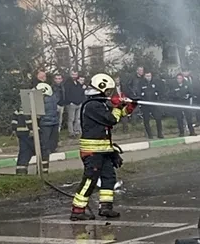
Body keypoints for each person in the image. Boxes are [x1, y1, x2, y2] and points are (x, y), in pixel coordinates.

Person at [70, 73, 135, 221]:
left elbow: (114, 116)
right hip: (93, 151)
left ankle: (106, 207)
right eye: (108, 91)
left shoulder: (100, 104)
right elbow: (111, 119)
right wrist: (118, 106)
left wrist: (128, 108)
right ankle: (78, 209)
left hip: (104, 150)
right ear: (102, 89)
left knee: (109, 177)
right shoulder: (92, 105)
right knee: (90, 179)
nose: (109, 94)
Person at [35, 82, 60, 170]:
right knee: (48, 146)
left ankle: (43, 167)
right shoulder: (53, 97)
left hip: (46, 124)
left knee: (45, 146)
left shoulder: (40, 99)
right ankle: (44, 167)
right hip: (52, 123)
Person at [138, 70, 163, 139]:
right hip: (145, 105)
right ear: (144, 76)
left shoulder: (155, 82)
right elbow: (139, 93)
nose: (148, 77)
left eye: (149, 76)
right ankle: (150, 135)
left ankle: (160, 133)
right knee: (146, 120)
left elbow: (160, 91)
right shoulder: (141, 83)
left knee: (158, 118)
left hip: (154, 104)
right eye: (147, 76)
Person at [12, 104, 35, 176]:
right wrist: (31, 129)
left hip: (20, 133)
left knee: (23, 151)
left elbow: (14, 120)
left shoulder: (18, 109)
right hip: (26, 132)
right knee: (30, 150)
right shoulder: (27, 108)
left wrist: (14, 130)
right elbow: (28, 119)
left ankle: (20, 171)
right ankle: (22, 170)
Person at [64, 70, 85, 138]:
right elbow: (67, 93)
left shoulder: (78, 83)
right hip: (71, 104)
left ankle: (77, 131)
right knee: (71, 119)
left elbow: (80, 92)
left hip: (79, 103)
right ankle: (71, 133)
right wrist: (70, 101)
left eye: (75, 74)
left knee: (78, 119)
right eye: (73, 74)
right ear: (70, 74)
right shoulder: (67, 82)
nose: (74, 76)